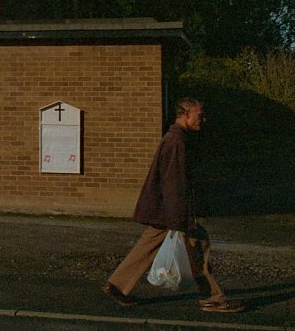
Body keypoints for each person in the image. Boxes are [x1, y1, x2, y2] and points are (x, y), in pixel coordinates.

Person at [102, 98, 244, 313]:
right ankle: (213, 297)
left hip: (166, 210)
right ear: (186, 114)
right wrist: (180, 219)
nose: (203, 119)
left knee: (148, 245)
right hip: (174, 211)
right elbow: (173, 181)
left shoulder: (177, 138)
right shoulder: (177, 141)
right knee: (199, 248)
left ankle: (117, 286)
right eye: (199, 114)